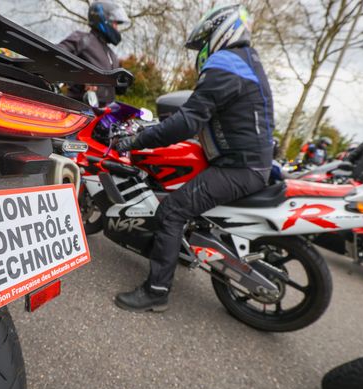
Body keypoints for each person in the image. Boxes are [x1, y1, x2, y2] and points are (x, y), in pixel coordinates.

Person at [113, 5, 274, 312]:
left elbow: (188, 121)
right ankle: (181, 251)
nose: (202, 51)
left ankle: (156, 291)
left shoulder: (227, 61)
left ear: (221, 32)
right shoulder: (247, 61)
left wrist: (137, 140)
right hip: (245, 161)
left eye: (203, 42)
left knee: (172, 211)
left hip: (239, 167)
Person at [58, 1, 129, 105]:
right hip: (79, 110)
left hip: (105, 113)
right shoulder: (82, 39)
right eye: (115, 23)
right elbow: (56, 56)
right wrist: (82, 79)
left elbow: (119, 89)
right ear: (104, 20)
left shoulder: (112, 55)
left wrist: (124, 80)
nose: (116, 28)